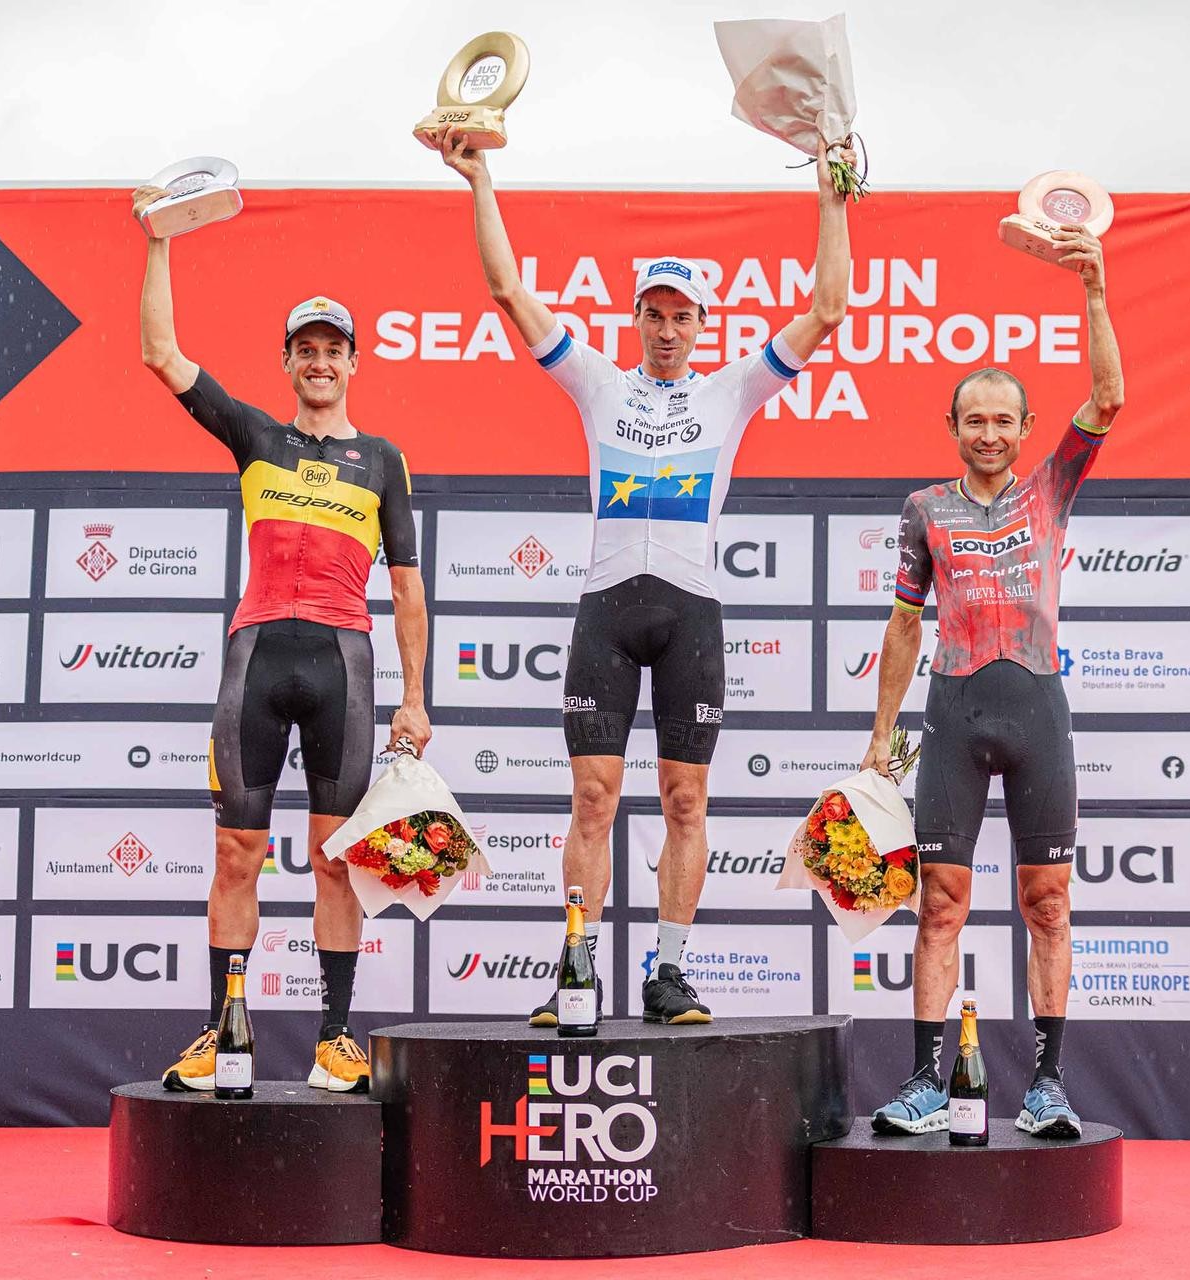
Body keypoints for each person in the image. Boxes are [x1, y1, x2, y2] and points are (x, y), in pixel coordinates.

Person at [435, 125, 853, 1025]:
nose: (667, 331)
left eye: (682, 317)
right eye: (654, 316)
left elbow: (827, 309)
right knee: (593, 798)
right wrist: (480, 181)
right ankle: (577, 967)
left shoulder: (731, 389)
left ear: (703, 325)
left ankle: (669, 973)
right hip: (608, 610)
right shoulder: (597, 382)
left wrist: (830, 196)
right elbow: (508, 291)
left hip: (691, 610)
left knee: (685, 800)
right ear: (636, 320)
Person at [130, 185, 431, 1093]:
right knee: (237, 855)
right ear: (289, 361)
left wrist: (416, 699)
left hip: (343, 665)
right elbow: (160, 354)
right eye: (307, 349)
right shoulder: (256, 437)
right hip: (256, 660)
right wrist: (158, 241)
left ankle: (336, 1038)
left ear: (353, 363)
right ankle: (223, 1033)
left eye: (334, 350)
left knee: (336, 862)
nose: (320, 362)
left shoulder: (384, 461)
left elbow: (407, 588)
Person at [864, 219, 1123, 1138]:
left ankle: (1047, 1084)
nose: (986, 432)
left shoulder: (1050, 490)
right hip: (955, 710)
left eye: (1001, 420)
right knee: (939, 903)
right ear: (952, 428)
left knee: (1047, 902)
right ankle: (924, 1083)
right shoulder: (923, 510)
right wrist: (881, 735)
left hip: (1037, 709)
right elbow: (904, 623)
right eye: (972, 420)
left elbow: (1109, 395)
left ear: (1023, 430)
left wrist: (1093, 289)